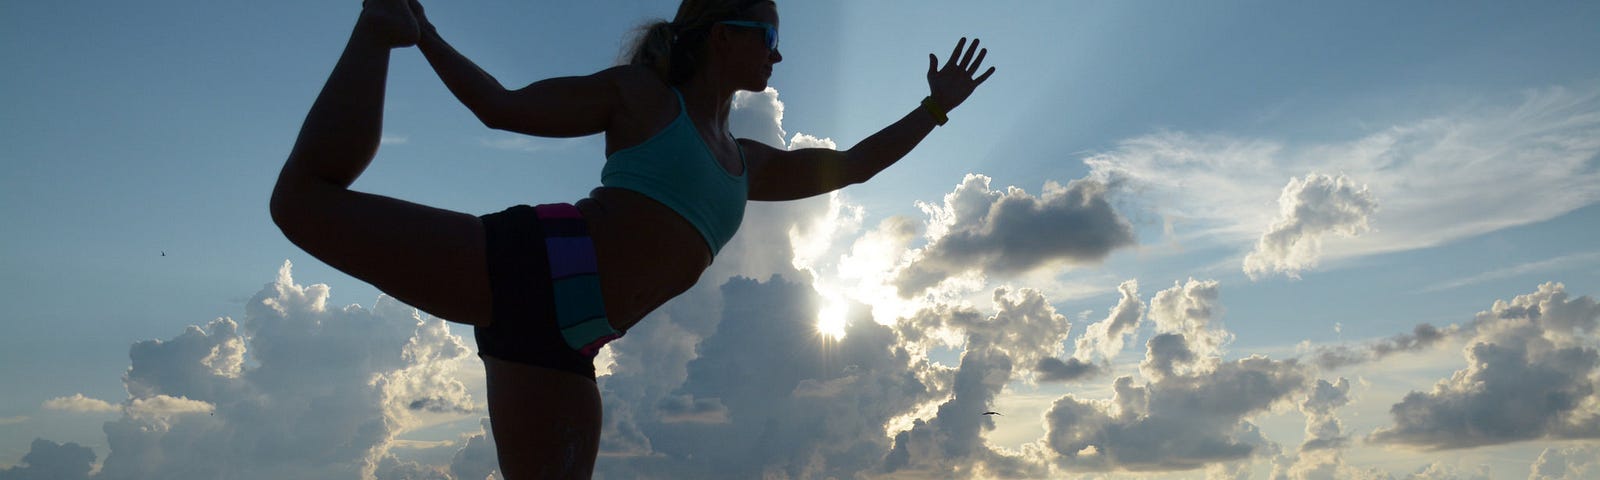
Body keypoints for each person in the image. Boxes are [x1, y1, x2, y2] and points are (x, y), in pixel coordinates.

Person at [270, 0, 993, 477]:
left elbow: (857, 166)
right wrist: (418, 33)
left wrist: (934, 107)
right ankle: (375, 26)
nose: (778, 57)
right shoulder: (640, 98)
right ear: (723, 35)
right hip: (524, 265)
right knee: (301, 205)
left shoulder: (747, 162)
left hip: (567, 344)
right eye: (769, 37)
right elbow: (501, 107)